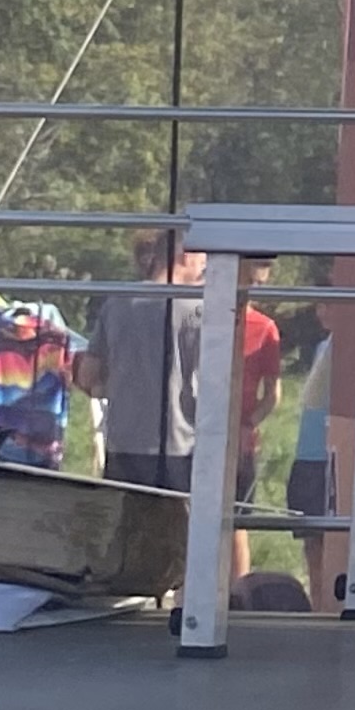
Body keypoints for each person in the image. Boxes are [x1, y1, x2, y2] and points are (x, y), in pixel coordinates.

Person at [81, 230, 281, 574]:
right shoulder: (204, 310)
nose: (205, 268)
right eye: (203, 259)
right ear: (185, 256)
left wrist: (122, 390)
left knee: (128, 543)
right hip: (184, 448)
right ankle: (182, 603)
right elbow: (222, 384)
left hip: (124, 446)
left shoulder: (116, 304)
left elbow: (88, 376)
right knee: (187, 547)